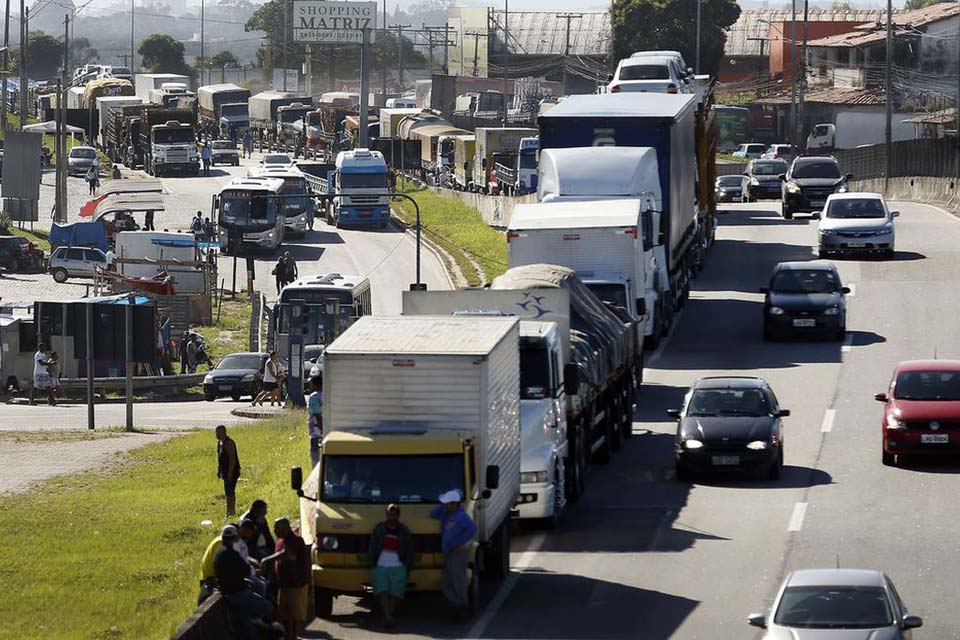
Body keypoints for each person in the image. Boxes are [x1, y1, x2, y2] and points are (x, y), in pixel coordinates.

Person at [214, 524, 277, 640]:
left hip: (229, 592)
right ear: (235, 538)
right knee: (267, 607)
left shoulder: (218, 553)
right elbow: (245, 570)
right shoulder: (231, 554)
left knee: (245, 626)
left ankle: (251, 623)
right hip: (238, 592)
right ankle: (257, 622)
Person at [430, 490, 477, 621]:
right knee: (446, 584)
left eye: (446, 503)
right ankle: (459, 605)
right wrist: (443, 505)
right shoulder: (447, 515)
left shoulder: (462, 516)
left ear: (454, 504)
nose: (444, 505)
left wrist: (463, 543)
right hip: (450, 554)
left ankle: (462, 609)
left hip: (459, 554)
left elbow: (473, 528)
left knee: (459, 584)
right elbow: (432, 513)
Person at [262, 518, 311, 640]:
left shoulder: (295, 540)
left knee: (293, 616)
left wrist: (266, 560)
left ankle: (292, 637)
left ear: (285, 528)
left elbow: (287, 554)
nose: (274, 530)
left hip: (296, 584)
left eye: (276, 528)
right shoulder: (281, 540)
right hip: (284, 584)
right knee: (284, 615)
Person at [369, 504, 414, 628]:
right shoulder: (379, 529)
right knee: (382, 590)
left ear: (398, 516)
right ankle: (388, 616)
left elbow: (409, 550)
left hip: (398, 566)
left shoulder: (404, 530)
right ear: (386, 515)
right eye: (389, 514)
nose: (391, 516)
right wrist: (372, 563)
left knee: (396, 592)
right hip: (381, 565)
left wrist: (407, 566)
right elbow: (372, 546)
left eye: (394, 514)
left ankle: (388, 616)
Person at [216, 425, 241, 516]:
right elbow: (219, 457)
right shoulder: (220, 443)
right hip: (225, 471)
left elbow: (232, 459)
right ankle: (228, 510)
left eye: (218, 432)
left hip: (232, 471)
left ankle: (232, 510)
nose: (216, 434)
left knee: (231, 491)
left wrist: (230, 472)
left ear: (223, 432)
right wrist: (219, 470)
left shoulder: (229, 443)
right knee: (227, 491)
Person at [307, 375, 324, 468]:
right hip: (325, 430)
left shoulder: (314, 397)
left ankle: (315, 471)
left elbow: (317, 415)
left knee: (315, 454)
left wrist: (321, 428)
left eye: (311, 384)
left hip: (316, 431)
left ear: (315, 385)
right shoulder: (326, 395)